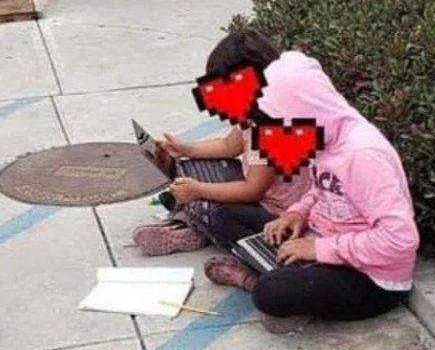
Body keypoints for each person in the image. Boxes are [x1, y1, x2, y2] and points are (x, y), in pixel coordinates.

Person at [202, 49, 420, 334]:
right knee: (222, 215)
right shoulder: (324, 135)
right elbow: (322, 189)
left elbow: (400, 239)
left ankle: (259, 281)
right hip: (322, 239)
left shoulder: (363, 155)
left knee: (271, 292)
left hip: (369, 278)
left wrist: (319, 249)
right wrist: (296, 214)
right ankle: (284, 275)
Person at [132, 30, 312, 255]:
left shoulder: (273, 129)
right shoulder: (255, 113)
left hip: (278, 215)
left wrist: (199, 190)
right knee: (188, 168)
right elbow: (229, 146)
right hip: (259, 193)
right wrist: (186, 149)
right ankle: (191, 220)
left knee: (219, 214)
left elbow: (253, 190)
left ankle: (193, 230)